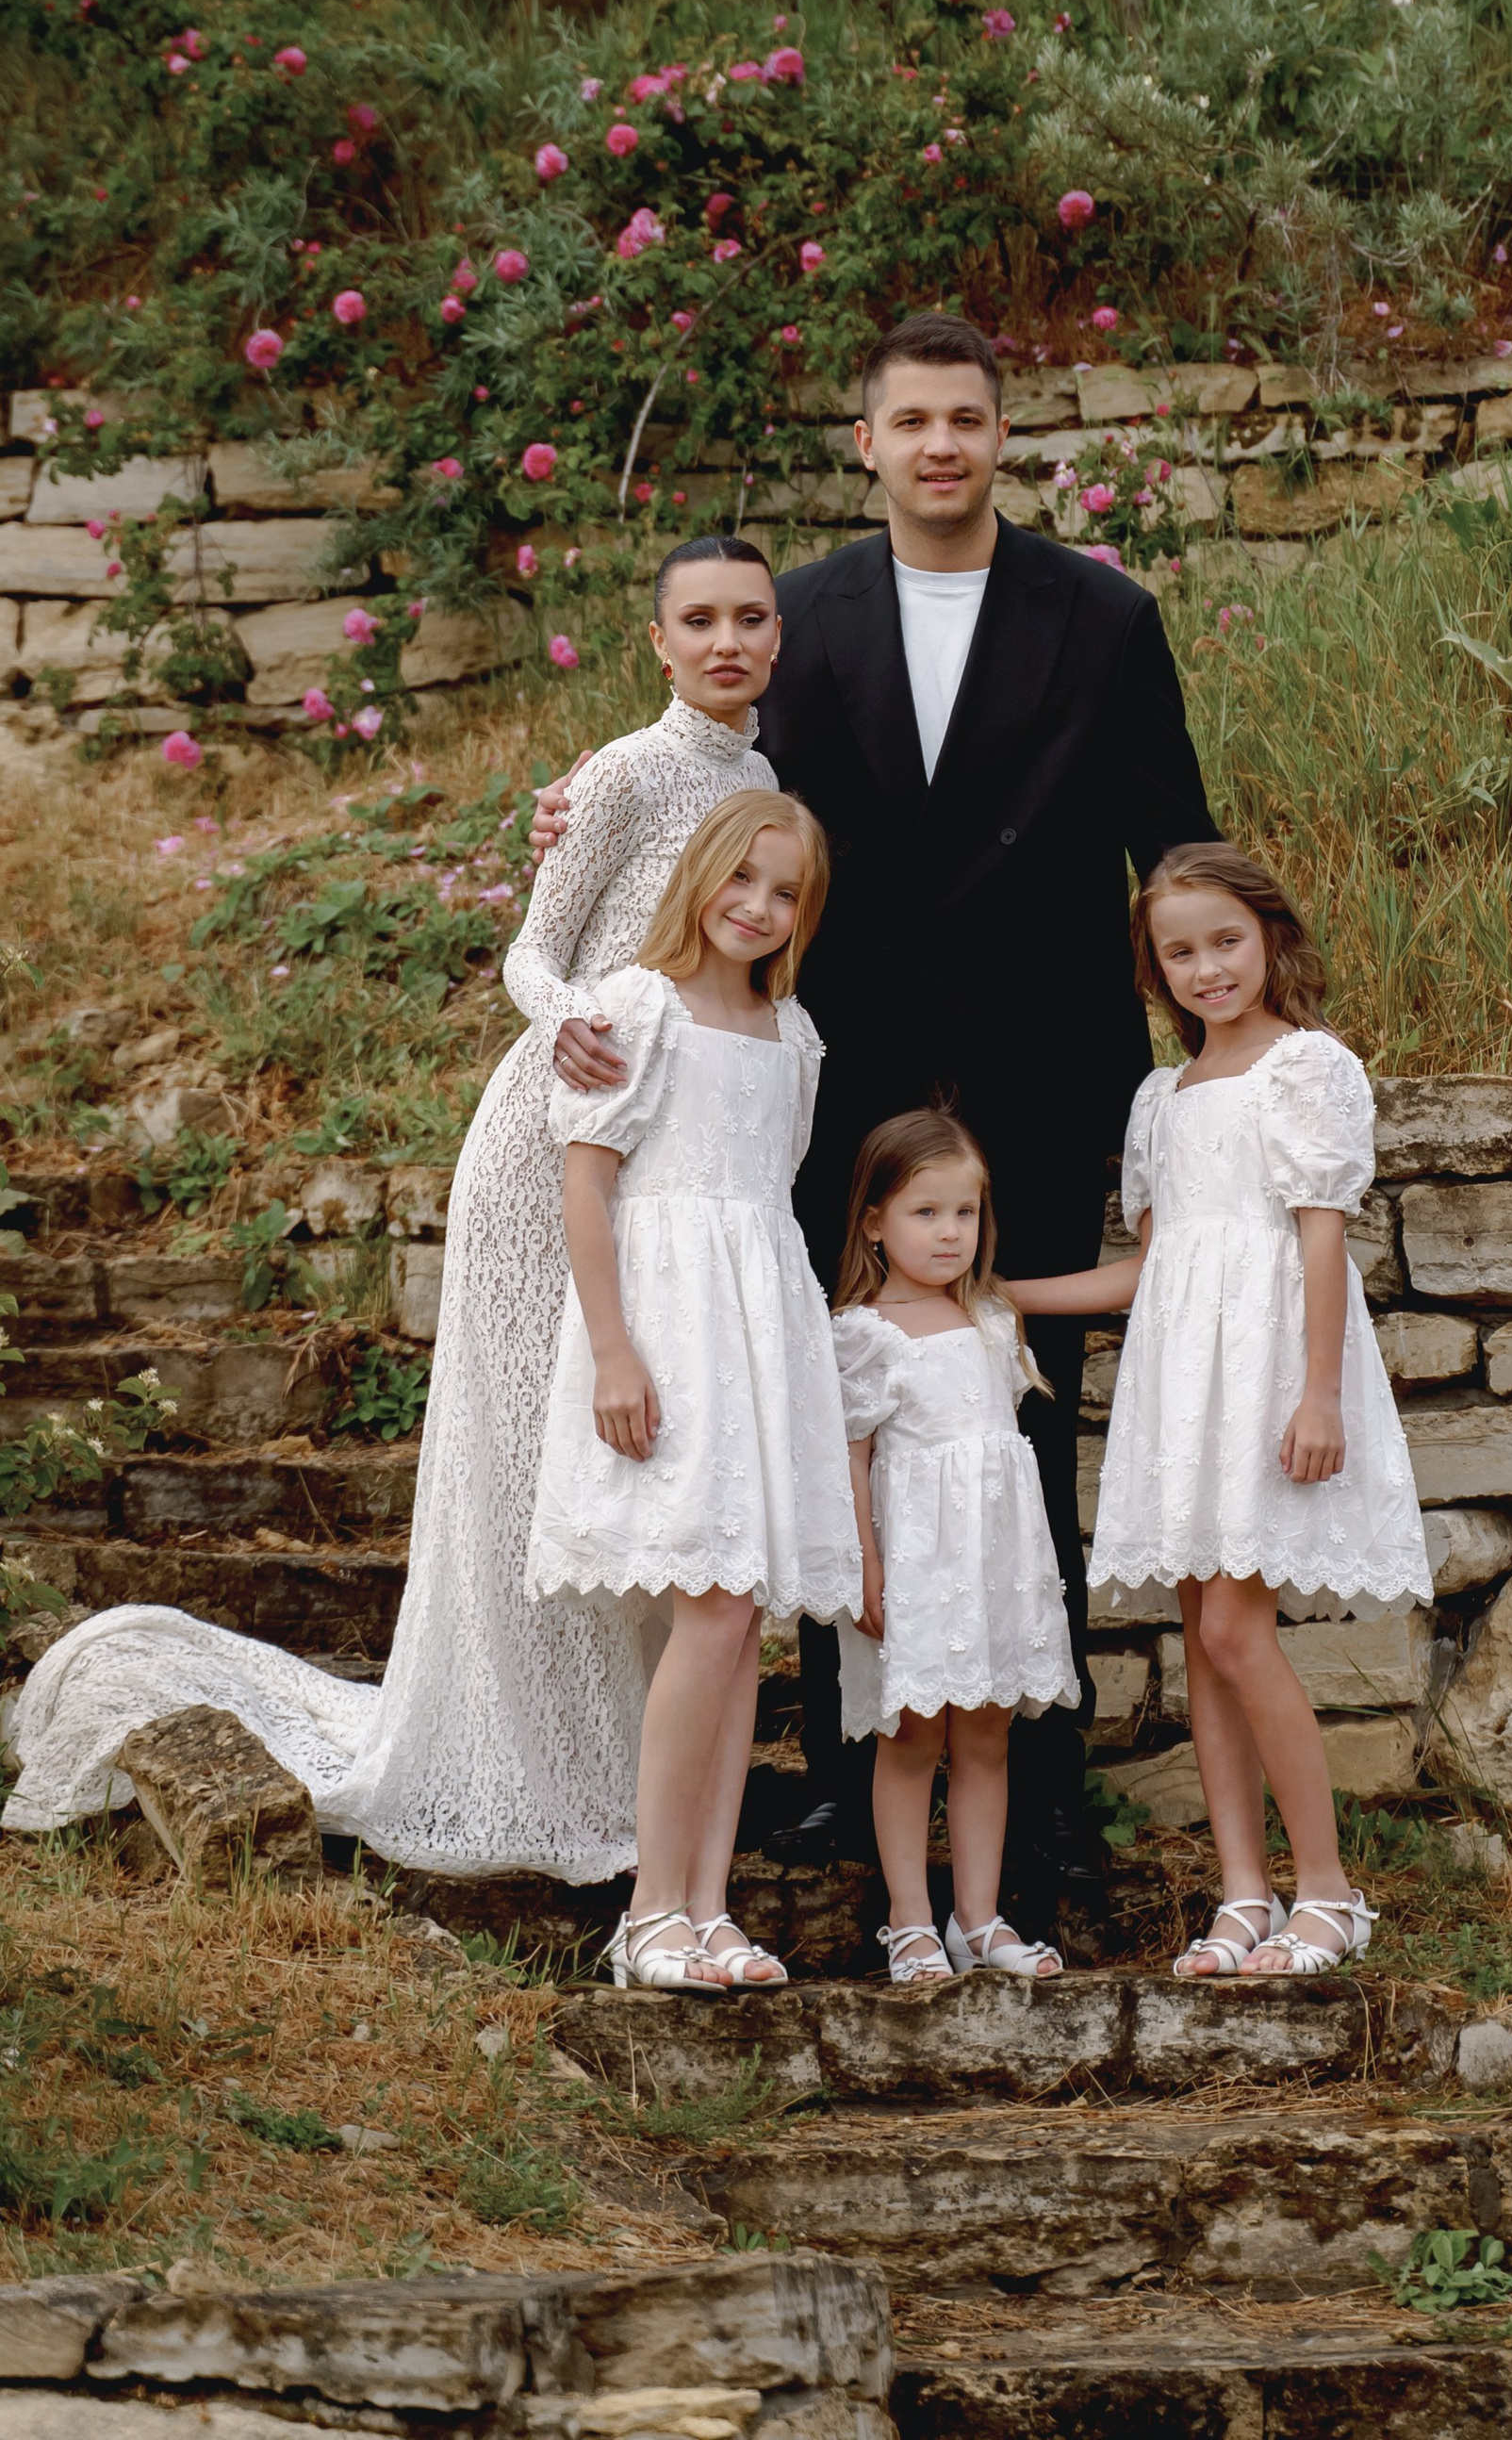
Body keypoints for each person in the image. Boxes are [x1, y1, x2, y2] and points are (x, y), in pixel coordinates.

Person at [535, 310, 1216, 1894]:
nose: (941, 446)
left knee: (1021, 1425)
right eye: (911, 422)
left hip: (1047, 1085)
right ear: (869, 441)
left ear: (1002, 431)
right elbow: (698, 770)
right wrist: (589, 791)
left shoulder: (1105, 618)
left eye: (967, 419)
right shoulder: (807, 617)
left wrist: (1197, 1080)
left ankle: (1038, 1783)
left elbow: (1174, 842)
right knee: (844, 1425)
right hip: (840, 1091)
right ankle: (854, 1777)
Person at [0, 536, 786, 1882]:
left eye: (750, 619)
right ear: (655, 642)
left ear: (779, 636)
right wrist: (577, 1022)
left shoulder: (758, 780)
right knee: (533, 1468)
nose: (726, 642)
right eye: (698, 621)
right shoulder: (622, 771)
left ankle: (621, 1786)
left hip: (667, 1161)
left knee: (631, 1475)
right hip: (557, 1135)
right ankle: (518, 1768)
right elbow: (531, 948)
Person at [531, 789, 859, 1991]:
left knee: (739, 1628)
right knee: (711, 1614)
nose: (758, 908)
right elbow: (586, 1183)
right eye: (742, 880)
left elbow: (767, 1208)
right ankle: (649, 1910)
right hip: (664, 1332)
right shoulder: (637, 1006)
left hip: (758, 1333)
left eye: (785, 894)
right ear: (700, 875)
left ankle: (709, 1910)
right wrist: (615, 1351)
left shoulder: (796, 1038)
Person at [1092, 840, 1429, 1981]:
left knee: (1239, 1629)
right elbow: (1147, 1267)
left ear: (1271, 937)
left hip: (1269, 1366)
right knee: (1201, 1638)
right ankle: (1242, 1895)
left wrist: (1319, 1391)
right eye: (1178, 953)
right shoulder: (1160, 1096)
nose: (1206, 969)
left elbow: (1320, 1231)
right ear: (1155, 970)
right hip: (1182, 1378)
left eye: (1224, 942)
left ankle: (1328, 1892)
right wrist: (993, 1293)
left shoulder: (1306, 1068)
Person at [828, 1110, 1087, 1983]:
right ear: (874, 1221)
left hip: (993, 1566)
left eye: (964, 1214)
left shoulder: (990, 1319)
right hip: (915, 1564)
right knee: (910, 1738)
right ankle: (909, 1920)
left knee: (986, 1738)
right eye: (924, 1213)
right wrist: (865, 1568)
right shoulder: (865, 1332)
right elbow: (852, 1463)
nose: (949, 1233)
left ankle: (978, 1917)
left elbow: (994, 1466)